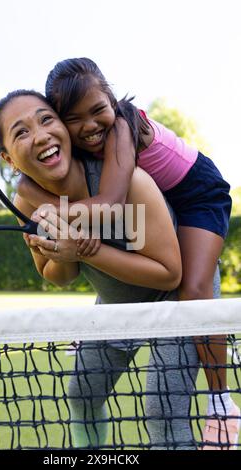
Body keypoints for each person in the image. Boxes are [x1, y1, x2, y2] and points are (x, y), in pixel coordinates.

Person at [15, 58, 239, 449]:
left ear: (112, 100)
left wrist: (59, 218)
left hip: (201, 194)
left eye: (97, 110)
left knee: (196, 289)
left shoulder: (120, 130)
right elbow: (59, 265)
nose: (88, 126)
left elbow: (113, 201)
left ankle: (220, 399)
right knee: (83, 393)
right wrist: (46, 226)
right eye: (72, 118)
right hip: (130, 281)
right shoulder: (59, 170)